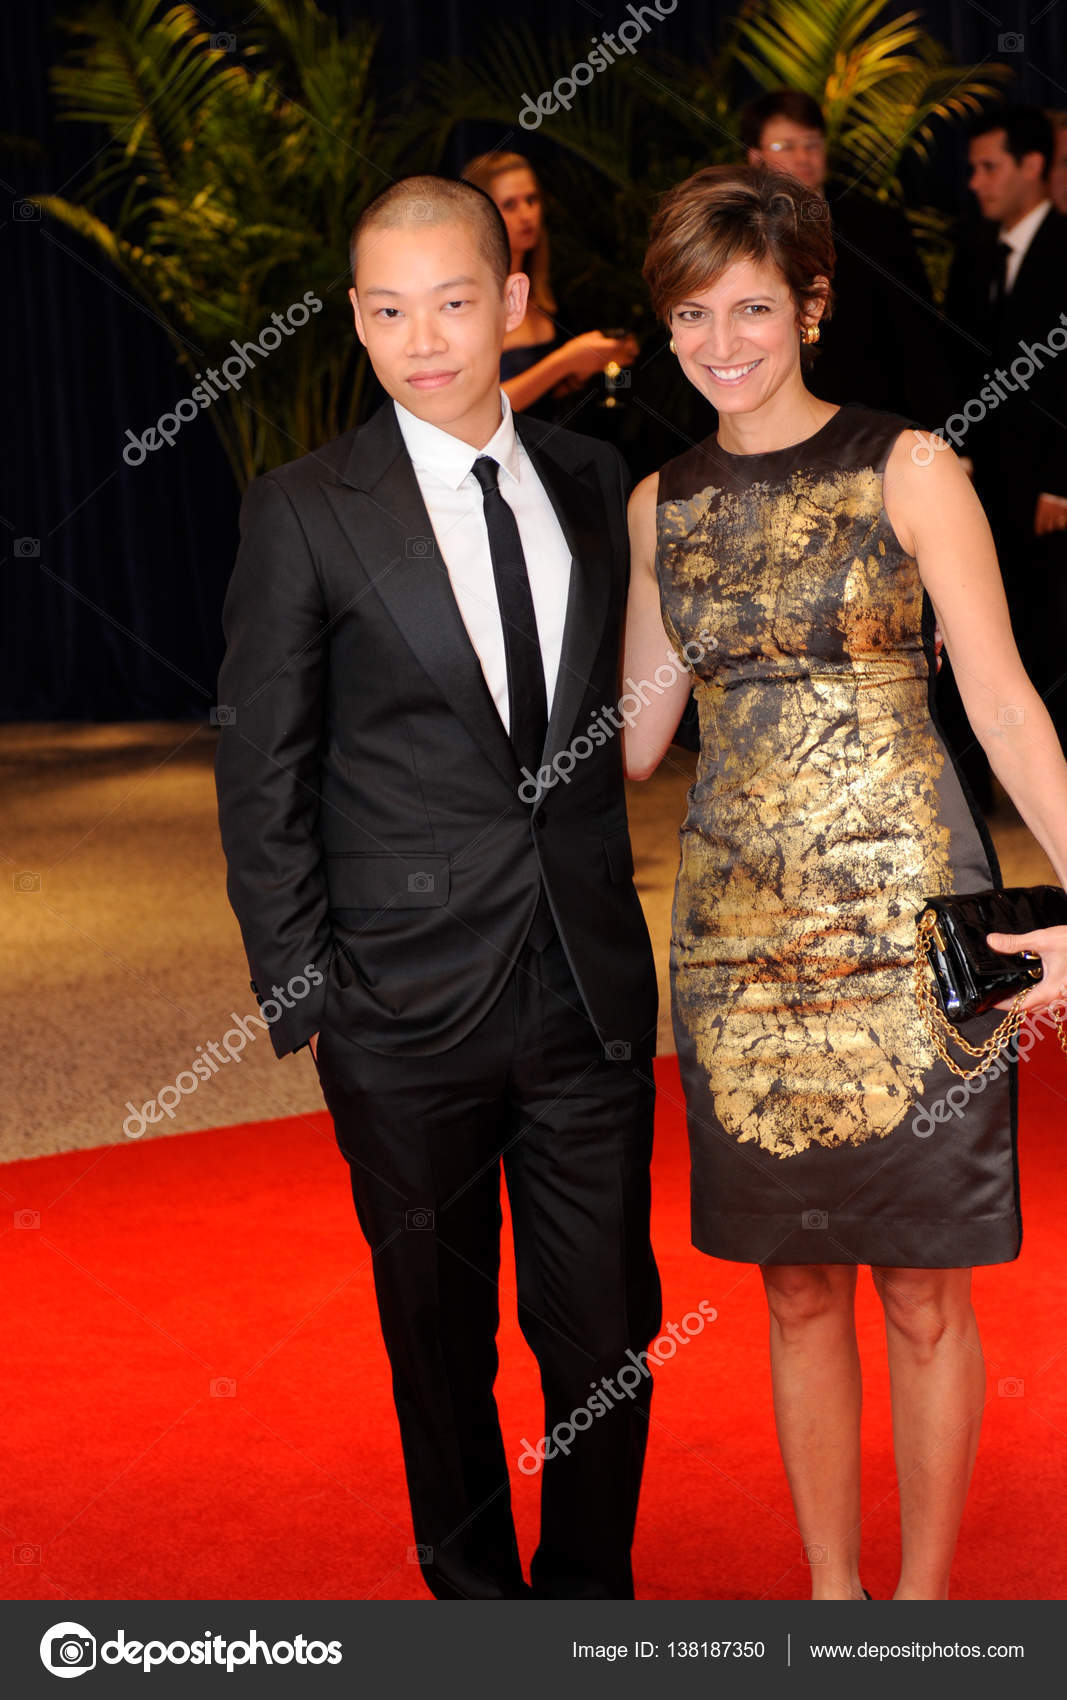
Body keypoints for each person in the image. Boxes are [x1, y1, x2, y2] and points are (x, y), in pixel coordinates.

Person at [622, 162, 1067, 1602]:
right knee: (795, 1283)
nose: (721, 342)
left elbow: (999, 703)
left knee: (923, 1289)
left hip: (906, 924)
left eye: (750, 307)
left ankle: (918, 1613)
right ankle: (830, 1599)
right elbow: (632, 737)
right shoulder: (656, 506)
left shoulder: (908, 467)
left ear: (809, 304)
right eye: (691, 314)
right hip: (736, 938)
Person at [214, 174, 661, 1601]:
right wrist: (309, 992)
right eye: (389, 311)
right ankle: (474, 1613)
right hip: (398, 1006)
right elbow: (262, 765)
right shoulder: (305, 510)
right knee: (437, 1338)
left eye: (453, 303)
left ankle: (583, 1603)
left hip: (582, 984)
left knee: (603, 1332)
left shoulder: (591, 482)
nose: (422, 340)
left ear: (511, 301)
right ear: (356, 319)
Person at [944, 106, 1067, 753]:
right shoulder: (973, 254)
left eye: (989, 167)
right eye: (971, 169)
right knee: (993, 636)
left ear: (1032, 166)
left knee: (1053, 640)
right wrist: (956, 452)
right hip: (984, 489)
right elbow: (955, 364)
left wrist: (1061, 482)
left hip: (1049, 495)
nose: (975, 182)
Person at [741, 88, 956, 428]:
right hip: (767, 426)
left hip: (872, 422)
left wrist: (942, 430)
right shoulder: (737, 234)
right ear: (755, 158)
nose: (803, 156)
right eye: (786, 146)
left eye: (812, 144)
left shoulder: (878, 225)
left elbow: (919, 337)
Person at [461, 151, 638, 418]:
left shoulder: (547, 293)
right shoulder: (464, 301)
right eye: (509, 205)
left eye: (531, 200)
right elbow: (475, 411)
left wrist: (588, 365)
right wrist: (564, 361)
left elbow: (546, 399)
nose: (526, 215)